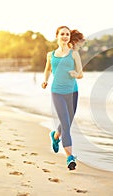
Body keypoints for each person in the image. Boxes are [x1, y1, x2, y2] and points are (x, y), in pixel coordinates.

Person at [41, 26, 83, 170]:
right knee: (66, 125)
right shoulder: (50, 55)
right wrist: (45, 80)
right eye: (62, 34)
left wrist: (75, 74)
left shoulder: (74, 54)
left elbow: (81, 74)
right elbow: (47, 69)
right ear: (57, 36)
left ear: (69, 37)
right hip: (57, 92)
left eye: (67, 34)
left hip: (73, 92)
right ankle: (70, 158)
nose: (65, 36)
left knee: (67, 122)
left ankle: (55, 135)